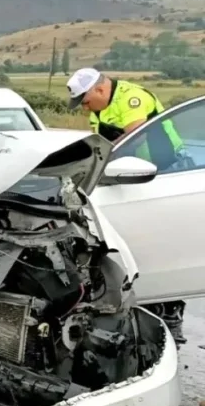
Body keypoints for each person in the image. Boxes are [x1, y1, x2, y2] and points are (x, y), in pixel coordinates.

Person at [66, 66, 188, 343]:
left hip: (164, 172)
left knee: (165, 243)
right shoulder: (100, 108)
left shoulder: (131, 98)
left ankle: (172, 313)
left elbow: (133, 137)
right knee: (138, 241)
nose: (85, 110)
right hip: (132, 177)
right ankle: (146, 302)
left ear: (99, 89)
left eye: (85, 102)